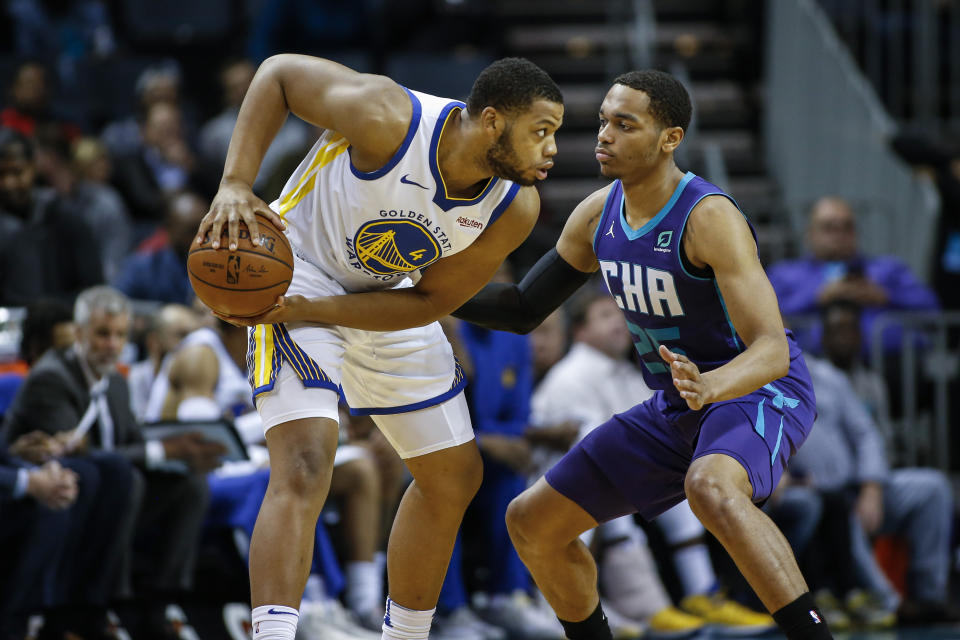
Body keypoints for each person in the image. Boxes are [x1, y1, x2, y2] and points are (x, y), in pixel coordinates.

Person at [451, 70, 830, 640]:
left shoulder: (708, 217)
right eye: (604, 120)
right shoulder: (596, 214)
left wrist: (712, 386)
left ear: (669, 138)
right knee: (532, 523)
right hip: (678, 403)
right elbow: (524, 307)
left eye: (625, 125)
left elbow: (773, 348)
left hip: (756, 391)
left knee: (711, 487)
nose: (604, 134)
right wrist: (422, 289)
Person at [195, 53, 562, 640]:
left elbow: (428, 304)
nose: (551, 150)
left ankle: (404, 635)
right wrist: (236, 183)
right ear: (493, 122)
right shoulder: (389, 116)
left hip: (384, 295)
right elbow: (279, 76)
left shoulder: (514, 208)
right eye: (541, 132)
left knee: (455, 475)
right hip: (297, 269)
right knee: (307, 460)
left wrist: (318, 313)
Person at [531, 285, 775, 635]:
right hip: (555, 482)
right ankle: (635, 605)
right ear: (580, 331)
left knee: (684, 492)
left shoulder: (630, 373)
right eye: (604, 316)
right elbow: (584, 445)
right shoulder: (571, 375)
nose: (617, 323)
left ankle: (701, 594)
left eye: (619, 314)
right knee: (611, 505)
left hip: (616, 472)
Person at [2, 286, 224, 640]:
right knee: (124, 478)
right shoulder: (53, 376)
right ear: (78, 333)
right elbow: (78, 456)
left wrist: (183, 451)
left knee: (189, 485)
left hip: (111, 497)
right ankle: (102, 608)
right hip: (60, 497)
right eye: (103, 334)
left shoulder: (117, 382)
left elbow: (133, 445)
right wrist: (164, 451)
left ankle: (161, 604)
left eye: (120, 335)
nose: (112, 344)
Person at [792, 300, 956, 626]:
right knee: (836, 509)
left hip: (863, 487)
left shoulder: (828, 377)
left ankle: (929, 595)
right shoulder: (755, 386)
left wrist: (872, 486)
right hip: (822, 494)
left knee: (932, 487)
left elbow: (866, 433)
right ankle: (891, 602)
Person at [766, 196, 939, 357]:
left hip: (893, 365)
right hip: (812, 369)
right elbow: (763, 319)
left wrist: (885, 296)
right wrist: (817, 297)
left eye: (847, 227)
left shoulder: (888, 268)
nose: (840, 235)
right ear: (810, 234)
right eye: (829, 228)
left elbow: (931, 308)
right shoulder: (784, 273)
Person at [0, 128, 103, 306]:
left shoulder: (67, 218)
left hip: (60, 323)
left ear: (33, 167)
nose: (8, 183)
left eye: (17, 172)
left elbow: (92, 290)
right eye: (1, 174)